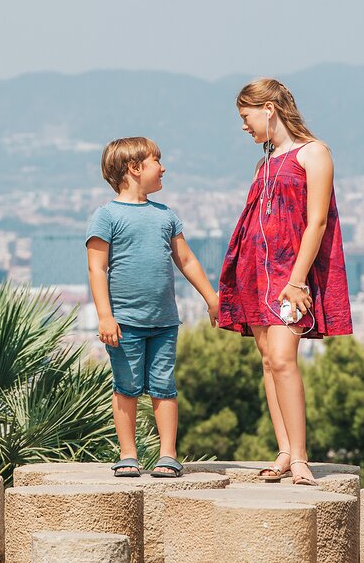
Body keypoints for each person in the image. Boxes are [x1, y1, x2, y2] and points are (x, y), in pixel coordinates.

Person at [217, 78, 353, 485]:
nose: (244, 126)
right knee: (267, 361)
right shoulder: (264, 163)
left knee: (282, 358)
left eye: (246, 116)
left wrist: (296, 281)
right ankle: (284, 451)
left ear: (269, 108)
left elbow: (318, 221)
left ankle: (300, 459)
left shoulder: (315, 153)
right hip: (254, 272)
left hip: (290, 275)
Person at [86, 137, 219, 478]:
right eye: (156, 161)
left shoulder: (166, 216)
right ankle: (128, 454)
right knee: (126, 387)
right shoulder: (106, 216)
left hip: (164, 320)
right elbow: (96, 269)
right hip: (125, 322)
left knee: (164, 386)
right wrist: (105, 316)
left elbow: (186, 259)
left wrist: (211, 297)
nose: (163, 167)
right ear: (134, 169)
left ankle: (168, 454)